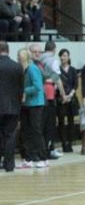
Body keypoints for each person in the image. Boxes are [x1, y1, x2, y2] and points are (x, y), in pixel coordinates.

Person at [18, 48, 46, 167]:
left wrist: (24, 91)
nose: (19, 59)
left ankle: (42, 158)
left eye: (21, 57)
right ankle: (28, 158)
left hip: (36, 104)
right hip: (26, 104)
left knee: (36, 131)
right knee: (25, 131)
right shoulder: (23, 70)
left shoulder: (32, 68)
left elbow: (38, 86)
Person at [0, 41, 23, 172]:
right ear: (8, 50)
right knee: (10, 136)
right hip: (13, 107)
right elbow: (21, 89)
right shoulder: (17, 67)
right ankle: (9, 164)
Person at [57, 48, 78, 153]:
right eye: (61, 55)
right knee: (61, 121)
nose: (63, 57)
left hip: (71, 98)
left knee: (71, 121)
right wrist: (63, 95)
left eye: (65, 55)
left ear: (68, 57)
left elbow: (76, 84)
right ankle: (63, 142)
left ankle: (70, 142)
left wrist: (70, 95)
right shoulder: (57, 69)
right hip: (61, 98)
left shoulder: (73, 70)